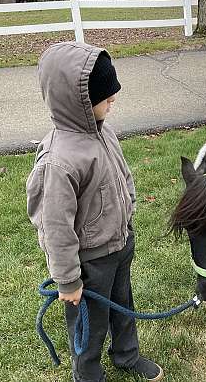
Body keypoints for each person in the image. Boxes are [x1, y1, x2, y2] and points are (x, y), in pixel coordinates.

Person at [26, 41, 163, 382]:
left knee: (123, 308)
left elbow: (123, 175)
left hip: (120, 246)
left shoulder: (105, 132)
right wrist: (68, 280)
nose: (113, 99)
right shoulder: (60, 160)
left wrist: (128, 210)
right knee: (91, 324)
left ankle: (127, 355)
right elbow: (55, 228)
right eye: (106, 95)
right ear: (79, 100)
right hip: (89, 263)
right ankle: (87, 374)